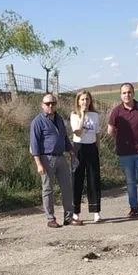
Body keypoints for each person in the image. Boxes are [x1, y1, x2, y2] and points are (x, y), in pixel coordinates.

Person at [30, 93, 82, 228]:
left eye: (53, 103)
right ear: (42, 105)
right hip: (46, 158)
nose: (50, 106)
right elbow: (34, 144)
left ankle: (68, 218)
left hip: (60, 157)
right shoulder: (37, 122)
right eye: (47, 103)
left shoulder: (59, 119)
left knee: (67, 188)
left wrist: (71, 152)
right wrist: (38, 164)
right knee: (48, 189)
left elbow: (64, 138)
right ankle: (50, 218)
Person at [107, 82, 138, 218]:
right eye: (124, 93)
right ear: (120, 95)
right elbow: (110, 130)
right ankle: (134, 208)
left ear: (133, 93)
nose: (127, 95)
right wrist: (122, 138)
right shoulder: (116, 111)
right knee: (130, 182)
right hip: (125, 152)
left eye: (129, 92)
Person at [70, 90, 102, 223]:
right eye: (82, 99)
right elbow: (78, 132)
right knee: (77, 179)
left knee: (93, 179)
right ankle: (75, 212)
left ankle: (96, 211)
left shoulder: (95, 115)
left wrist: (97, 148)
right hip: (78, 148)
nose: (85, 102)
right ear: (78, 101)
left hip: (91, 148)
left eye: (87, 99)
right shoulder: (74, 115)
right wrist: (82, 115)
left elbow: (97, 134)